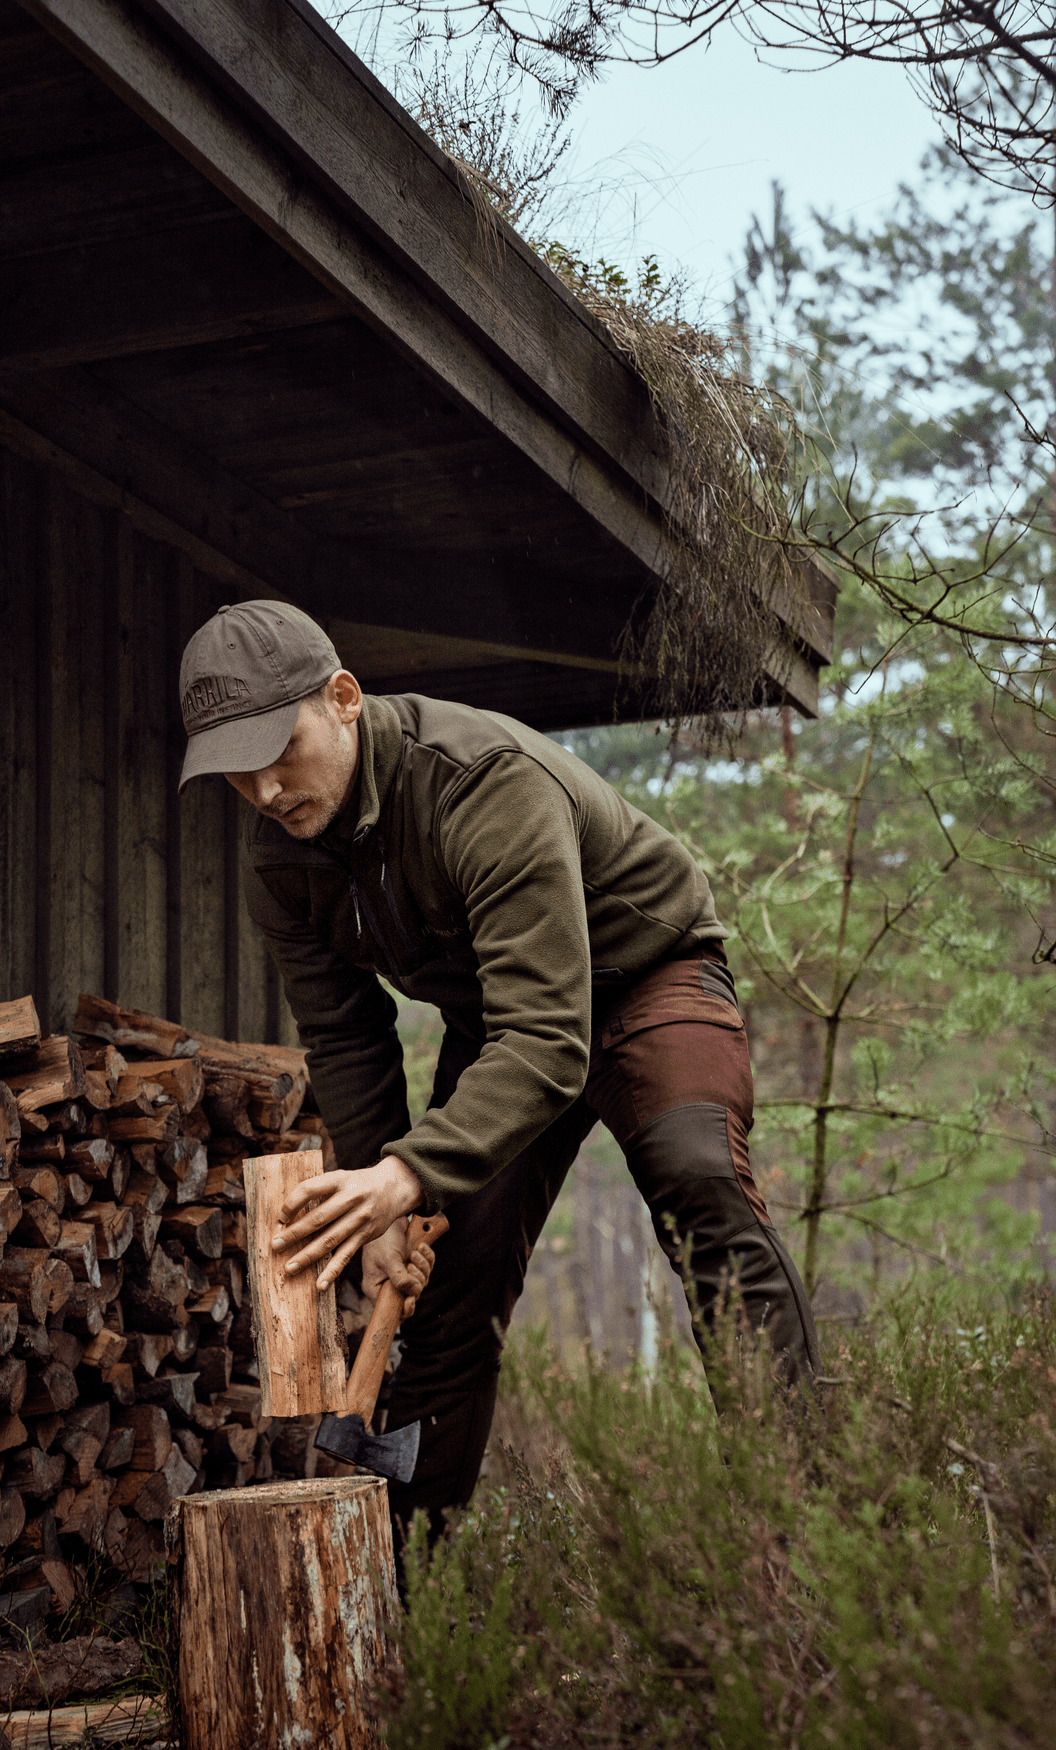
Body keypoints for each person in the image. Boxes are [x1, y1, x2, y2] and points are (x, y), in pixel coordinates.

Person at [178, 599, 820, 1531]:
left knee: (699, 1183)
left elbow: (551, 1041)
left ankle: (797, 1524)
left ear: (343, 698)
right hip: (506, 1017)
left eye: (279, 749)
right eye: (236, 774)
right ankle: (406, 1600)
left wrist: (408, 1172)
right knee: (442, 1287)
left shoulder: (479, 780)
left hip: (644, 977)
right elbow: (349, 1039)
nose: (267, 791)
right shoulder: (281, 861)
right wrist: (379, 1200)